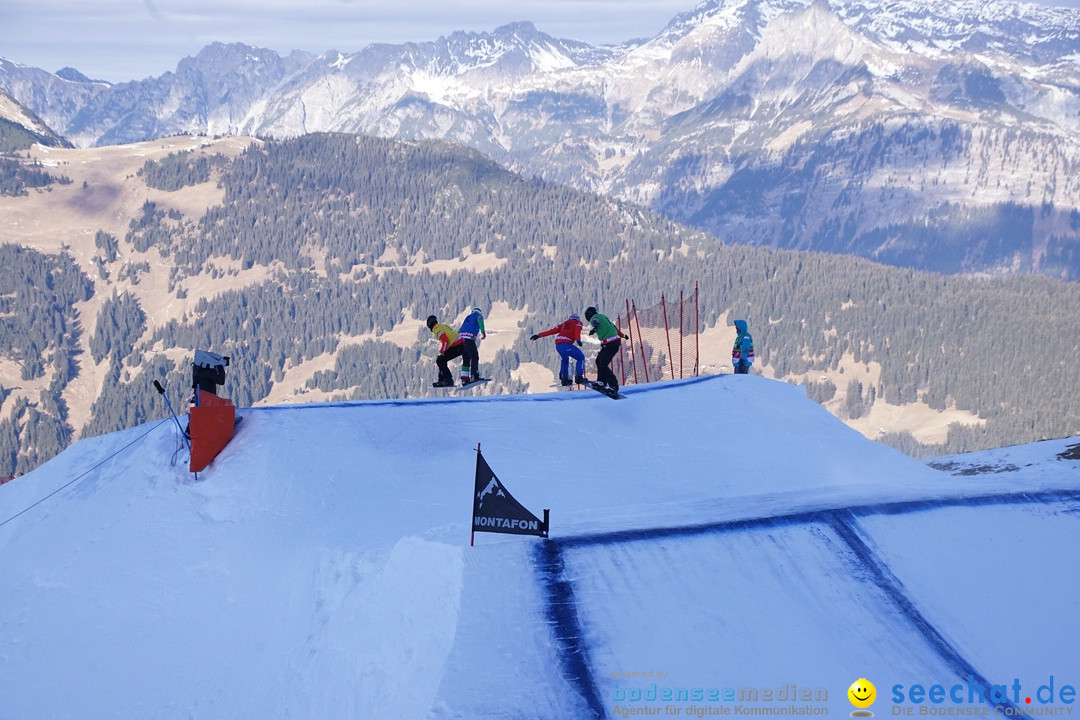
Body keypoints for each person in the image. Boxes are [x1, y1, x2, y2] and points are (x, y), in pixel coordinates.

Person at [530, 313, 587, 386]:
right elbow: (577, 330)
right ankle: (579, 377)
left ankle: (564, 378)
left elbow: (552, 331)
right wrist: (578, 340)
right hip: (566, 344)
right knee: (580, 357)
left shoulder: (564, 324)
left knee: (565, 360)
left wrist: (538, 335)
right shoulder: (578, 323)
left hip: (558, 345)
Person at [584, 306, 628, 392]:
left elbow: (596, 323)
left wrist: (594, 329)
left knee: (603, 364)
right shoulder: (603, 317)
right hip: (613, 343)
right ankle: (601, 381)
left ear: (588, 316)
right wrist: (624, 336)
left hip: (610, 344)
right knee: (599, 361)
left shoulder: (594, 318)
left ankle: (614, 385)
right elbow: (614, 327)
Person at [427, 315, 464, 387]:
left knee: (440, 360)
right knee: (441, 359)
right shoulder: (441, 326)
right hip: (461, 344)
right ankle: (442, 379)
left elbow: (445, 341)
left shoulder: (436, 329)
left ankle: (448, 380)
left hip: (458, 345)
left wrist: (442, 352)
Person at [457, 307, 487, 385]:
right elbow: (480, 322)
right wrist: (483, 332)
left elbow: (460, 329)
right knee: (474, 357)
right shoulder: (478, 316)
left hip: (461, 340)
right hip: (469, 339)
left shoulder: (468, 317)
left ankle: (464, 378)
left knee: (466, 359)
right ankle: (474, 375)